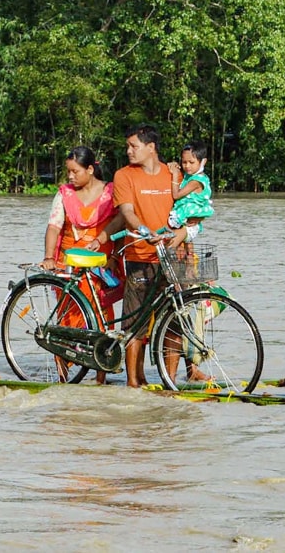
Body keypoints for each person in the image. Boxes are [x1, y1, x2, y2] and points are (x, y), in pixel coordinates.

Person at [39, 146, 124, 384]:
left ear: (90, 169)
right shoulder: (64, 194)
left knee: (102, 316)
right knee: (67, 315)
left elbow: (121, 218)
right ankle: (63, 375)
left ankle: (101, 375)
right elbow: (54, 226)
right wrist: (48, 256)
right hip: (70, 264)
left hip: (100, 265)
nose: (70, 176)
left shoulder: (110, 192)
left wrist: (102, 241)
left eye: (75, 171)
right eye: (68, 172)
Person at [112, 124, 175, 387]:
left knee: (175, 320)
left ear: (151, 148)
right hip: (140, 254)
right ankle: (133, 383)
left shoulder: (173, 174)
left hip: (172, 256)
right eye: (128, 146)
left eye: (133, 146)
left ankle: (171, 382)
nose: (129, 151)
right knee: (134, 322)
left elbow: (188, 207)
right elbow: (127, 212)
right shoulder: (124, 176)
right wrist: (145, 231)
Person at [166, 141, 214, 248]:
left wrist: (175, 174)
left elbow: (176, 195)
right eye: (184, 162)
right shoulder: (190, 176)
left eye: (191, 162)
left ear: (203, 162)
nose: (187, 166)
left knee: (167, 249)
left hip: (188, 227)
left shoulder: (196, 181)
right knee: (188, 255)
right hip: (185, 222)